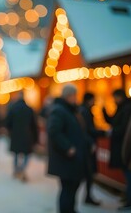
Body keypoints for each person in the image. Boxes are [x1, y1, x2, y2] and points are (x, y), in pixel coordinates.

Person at [47, 84, 88, 213]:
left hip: (72, 158)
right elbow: (54, 131)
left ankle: (71, 209)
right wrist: (68, 147)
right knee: (68, 188)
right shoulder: (59, 110)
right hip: (66, 158)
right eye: (74, 95)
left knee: (73, 185)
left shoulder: (70, 109)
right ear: (69, 96)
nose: (76, 98)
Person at [103, 89, 131, 210]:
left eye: (115, 98)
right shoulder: (124, 108)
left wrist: (112, 132)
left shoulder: (127, 110)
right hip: (123, 147)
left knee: (130, 175)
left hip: (125, 148)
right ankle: (130, 197)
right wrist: (104, 112)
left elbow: (124, 129)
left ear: (120, 97)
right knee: (128, 175)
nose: (114, 100)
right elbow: (113, 121)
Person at [78, 92, 106, 205]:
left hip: (85, 146)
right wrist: (104, 132)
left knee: (88, 173)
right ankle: (88, 197)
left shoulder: (81, 110)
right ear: (89, 100)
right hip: (88, 146)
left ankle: (88, 196)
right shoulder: (85, 112)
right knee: (89, 173)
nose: (94, 102)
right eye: (93, 99)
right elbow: (88, 129)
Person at [5, 91, 38, 182]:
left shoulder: (13, 108)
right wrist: (36, 138)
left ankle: (16, 170)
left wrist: (10, 131)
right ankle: (22, 169)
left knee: (16, 154)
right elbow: (34, 125)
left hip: (15, 135)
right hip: (27, 136)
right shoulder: (29, 109)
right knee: (27, 154)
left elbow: (7, 122)